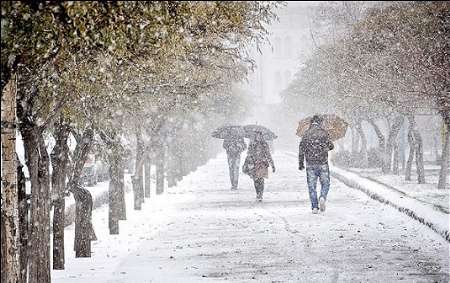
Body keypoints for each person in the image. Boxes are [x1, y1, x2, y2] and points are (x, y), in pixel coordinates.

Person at [298, 115, 334, 214]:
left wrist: (301, 163)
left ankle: (314, 207)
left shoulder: (306, 134)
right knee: (325, 183)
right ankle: (322, 197)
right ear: (320, 122)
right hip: (323, 162)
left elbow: (301, 150)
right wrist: (325, 147)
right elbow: (331, 146)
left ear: (311, 122)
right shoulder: (323, 133)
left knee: (311, 186)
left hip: (310, 163)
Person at [243, 131, 275, 201]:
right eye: (257, 136)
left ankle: (260, 194)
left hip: (262, 164)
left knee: (261, 179)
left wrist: (272, 165)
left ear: (261, 136)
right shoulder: (252, 144)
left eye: (259, 136)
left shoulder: (264, 144)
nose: (258, 137)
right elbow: (249, 154)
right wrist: (250, 159)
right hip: (254, 164)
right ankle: (258, 192)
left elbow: (268, 155)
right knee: (255, 180)